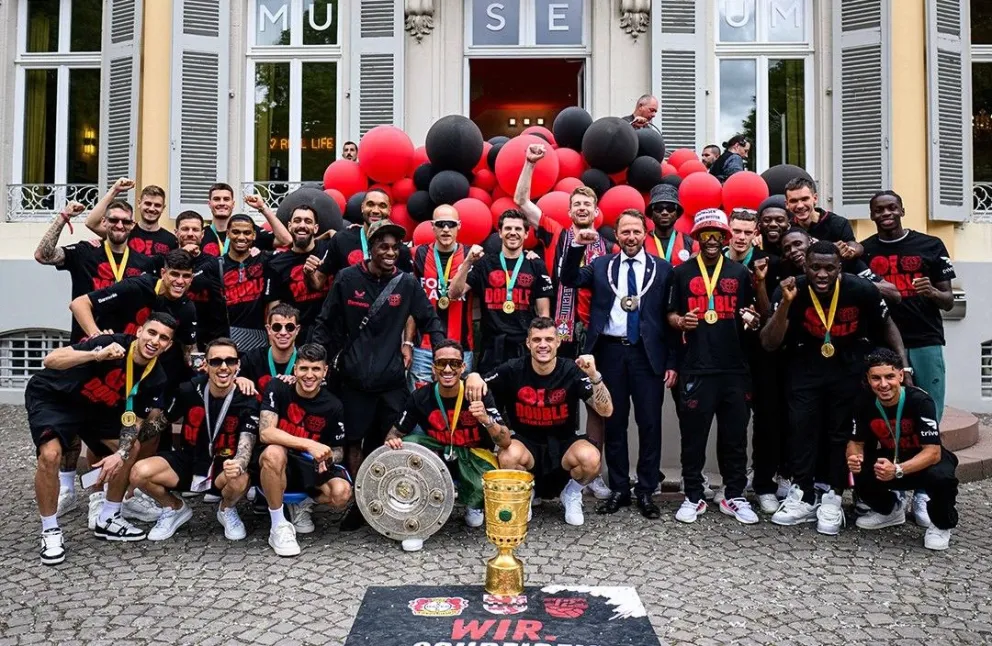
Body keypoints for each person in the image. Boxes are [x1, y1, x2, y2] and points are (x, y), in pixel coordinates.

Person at [761, 241, 909, 535]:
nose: (822, 274)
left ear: (840, 268)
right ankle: (803, 494)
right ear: (805, 266)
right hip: (804, 370)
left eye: (830, 268)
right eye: (815, 267)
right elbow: (769, 342)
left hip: (848, 369)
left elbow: (888, 324)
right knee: (801, 429)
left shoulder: (861, 289)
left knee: (841, 433)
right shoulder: (791, 289)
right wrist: (787, 304)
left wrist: (903, 367)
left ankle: (833, 495)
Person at [311, 219, 445, 531]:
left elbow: (429, 318)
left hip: (391, 380)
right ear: (369, 249)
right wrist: (315, 355)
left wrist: (441, 347)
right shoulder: (346, 278)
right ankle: (360, 503)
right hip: (354, 379)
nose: (389, 252)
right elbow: (326, 322)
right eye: (383, 247)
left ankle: (391, 501)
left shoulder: (407, 283)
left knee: (392, 440)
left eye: (395, 248)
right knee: (355, 442)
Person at [28, 313, 177, 564]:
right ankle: (50, 530)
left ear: (169, 345)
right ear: (140, 331)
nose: (155, 341)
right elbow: (50, 359)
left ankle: (109, 516)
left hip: (97, 408)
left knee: (131, 447)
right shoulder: (112, 343)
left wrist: (119, 455)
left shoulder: (156, 376)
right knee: (50, 455)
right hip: (57, 399)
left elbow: (135, 423)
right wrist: (96, 354)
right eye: (152, 333)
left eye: (163, 338)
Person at [559, 210, 678, 519]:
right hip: (609, 352)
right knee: (615, 422)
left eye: (636, 231)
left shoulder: (663, 270)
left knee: (650, 423)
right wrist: (576, 246)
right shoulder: (601, 266)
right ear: (617, 235)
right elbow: (568, 278)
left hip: (646, 353)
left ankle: (647, 490)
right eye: (624, 232)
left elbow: (671, 319)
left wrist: (673, 360)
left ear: (645, 234)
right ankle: (620, 489)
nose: (630, 237)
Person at [466, 317, 614, 527]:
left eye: (548, 339)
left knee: (591, 458)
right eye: (536, 340)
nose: (542, 345)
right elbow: (481, 381)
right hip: (526, 444)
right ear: (528, 343)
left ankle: (571, 494)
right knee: (507, 455)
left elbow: (606, 410)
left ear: (557, 342)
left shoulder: (571, 370)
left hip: (564, 444)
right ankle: (525, 492)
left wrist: (594, 375)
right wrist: (473, 375)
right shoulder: (513, 368)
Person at [384, 340, 529, 550]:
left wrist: (486, 420)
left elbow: (505, 441)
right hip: (439, 455)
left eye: (454, 363)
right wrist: (393, 442)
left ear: (463, 367)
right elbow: (394, 434)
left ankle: (474, 501)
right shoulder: (420, 396)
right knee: (409, 444)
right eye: (441, 363)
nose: (448, 369)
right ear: (433, 368)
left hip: (472, 458)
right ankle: (417, 520)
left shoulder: (478, 394)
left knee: (475, 520)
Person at [667, 209, 761, 524]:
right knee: (693, 436)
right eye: (705, 234)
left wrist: (752, 319)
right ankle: (693, 495)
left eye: (716, 235)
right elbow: (670, 315)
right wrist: (681, 320)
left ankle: (733, 495)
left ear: (724, 238)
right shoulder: (681, 273)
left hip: (735, 367)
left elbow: (752, 314)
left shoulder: (739, 273)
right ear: (697, 237)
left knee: (734, 437)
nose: (710, 240)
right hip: (696, 366)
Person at [129, 338, 259, 541]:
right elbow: (157, 425)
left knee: (240, 477)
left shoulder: (247, 397)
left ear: (238, 365)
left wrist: (240, 464)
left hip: (224, 466)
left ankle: (226, 509)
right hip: (190, 461)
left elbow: (246, 444)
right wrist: (123, 442)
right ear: (205, 365)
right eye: (216, 361)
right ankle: (174, 507)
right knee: (138, 472)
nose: (223, 367)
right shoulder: (189, 390)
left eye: (230, 361)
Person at [848, 348, 958, 550]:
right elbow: (856, 442)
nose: (883, 384)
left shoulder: (920, 401)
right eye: (876, 378)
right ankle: (890, 510)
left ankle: (941, 524)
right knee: (855, 468)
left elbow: (933, 452)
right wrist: (854, 458)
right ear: (868, 379)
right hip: (892, 459)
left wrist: (898, 470)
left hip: (924, 460)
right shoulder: (863, 402)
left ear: (900, 375)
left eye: (889, 376)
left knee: (941, 477)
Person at [860, 191, 955, 420]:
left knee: (929, 405)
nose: (886, 213)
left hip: (925, 338)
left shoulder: (931, 245)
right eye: (879, 210)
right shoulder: (865, 251)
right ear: (872, 215)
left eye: (891, 208)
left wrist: (931, 291)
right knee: (887, 406)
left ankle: (931, 452)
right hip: (883, 341)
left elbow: (949, 301)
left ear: (902, 211)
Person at [258, 344, 350, 557]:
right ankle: (278, 525)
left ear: (325, 371)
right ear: (295, 369)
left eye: (316, 369)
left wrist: (326, 458)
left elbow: (338, 450)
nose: (309, 375)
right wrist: (309, 444)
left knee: (341, 494)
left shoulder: (333, 404)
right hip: (279, 462)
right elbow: (266, 433)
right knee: (274, 452)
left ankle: (301, 505)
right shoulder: (278, 387)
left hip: (309, 466)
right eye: (304, 369)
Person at [35, 200, 156, 342]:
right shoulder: (85, 252)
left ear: (132, 225)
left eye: (125, 222)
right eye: (114, 220)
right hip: (86, 346)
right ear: (104, 222)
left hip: (127, 347)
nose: (119, 225)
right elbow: (42, 255)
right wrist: (64, 216)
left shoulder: (145, 263)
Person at [448, 210, 553, 373]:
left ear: (526, 234)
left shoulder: (535, 264)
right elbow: (453, 294)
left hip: (524, 347)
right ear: (500, 233)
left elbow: (543, 313)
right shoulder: (484, 263)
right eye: (508, 228)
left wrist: (542, 348)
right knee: (490, 396)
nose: (513, 233)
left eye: (518, 229)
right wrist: (468, 262)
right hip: (491, 348)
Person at [410, 205, 475, 388]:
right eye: (441, 224)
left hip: (461, 348)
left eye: (451, 224)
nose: (446, 229)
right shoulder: (417, 254)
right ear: (432, 226)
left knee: (459, 405)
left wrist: (530, 253)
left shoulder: (472, 256)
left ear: (459, 226)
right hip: (423, 348)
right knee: (420, 403)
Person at [772, 227, 901, 305]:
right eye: (787, 248)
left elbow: (894, 294)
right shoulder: (789, 275)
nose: (793, 250)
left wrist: (849, 281)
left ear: (811, 241)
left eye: (798, 244)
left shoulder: (845, 261)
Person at [313, 188, 413, 286]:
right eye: (370, 204)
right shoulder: (341, 240)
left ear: (389, 210)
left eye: (382, 206)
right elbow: (319, 281)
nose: (376, 211)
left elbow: (408, 288)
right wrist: (309, 273)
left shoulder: (399, 249)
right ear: (362, 207)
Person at [267, 205, 333, 344]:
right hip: (296, 337)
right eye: (297, 221)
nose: (302, 225)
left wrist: (338, 233)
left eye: (308, 221)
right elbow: (273, 309)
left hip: (329, 333)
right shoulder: (277, 264)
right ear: (290, 226)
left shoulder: (330, 250)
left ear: (315, 228)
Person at [171, 210, 230, 346]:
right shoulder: (165, 262)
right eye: (185, 229)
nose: (190, 234)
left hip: (210, 338)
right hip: (174, 337)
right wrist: (182, 254)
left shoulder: (215, 263)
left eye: (195, 230)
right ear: (176, 232)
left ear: (202, 234)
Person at [221, 213, 276, 351]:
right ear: (227, 234)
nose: (241, 237)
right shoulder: (216, 265)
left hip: (258, 337)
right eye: (235, 232)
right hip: (225, 338)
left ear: (254, 235)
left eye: (246, 233)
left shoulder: (264, 260)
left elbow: (287, 240)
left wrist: (263, 208)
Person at [83, 179, 178, 256]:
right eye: (148, 203)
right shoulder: (123, 230)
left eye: (157, 205)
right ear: (139, 203)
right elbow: (91, 223)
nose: (152, 208)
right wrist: (115, 190)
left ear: (163, 208)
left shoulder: (171, 240)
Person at [200, 184, 292, 256]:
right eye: (216, 199)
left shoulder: (248, 232)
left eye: (226, 199)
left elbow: (286, 240)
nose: (221, 203)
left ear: (233, 204)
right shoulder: (201, 234)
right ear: (209, 204)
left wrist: (263, 208)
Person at [784, 177, 863, 259]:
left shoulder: (838, 224)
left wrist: (848, 251)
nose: (800, 206)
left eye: (804, 199)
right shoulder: (787, 228)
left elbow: (852, 247)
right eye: (794, 201)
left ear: (815, 198)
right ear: (787, 204)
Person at [238, 303, 301, 394]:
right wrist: (238, 380)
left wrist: (301, 383)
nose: (283, 332)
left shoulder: (306, 360)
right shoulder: (251, 359)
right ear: (268, 329)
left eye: (289, 327)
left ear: (297, 330)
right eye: (277, 327)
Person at [644, 184, 697, 266]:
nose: (664, 212)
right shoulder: (641, 243)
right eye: (658, 208)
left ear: (677, 214)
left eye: (670, 208)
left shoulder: (691, 244)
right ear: (651, 214)